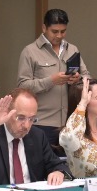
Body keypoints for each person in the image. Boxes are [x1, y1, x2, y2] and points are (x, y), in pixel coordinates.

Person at [0, 90, 69, 186]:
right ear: (7, 113)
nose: (26, 125)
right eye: (21, 118)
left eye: (31, 119)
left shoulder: (37, 136)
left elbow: (57, 164)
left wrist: (58, 172)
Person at [16, 8, 84, 151]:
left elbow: (88, 77)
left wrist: (78, 79)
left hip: (69, 123)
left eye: (63, 31)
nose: (59, 35)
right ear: (44, 28)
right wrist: (51, 81)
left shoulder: (73, 50)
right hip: (41, 123)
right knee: (41, 163)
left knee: (67, 164)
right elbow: (22, 86)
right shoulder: (30, 51)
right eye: (54, 31)